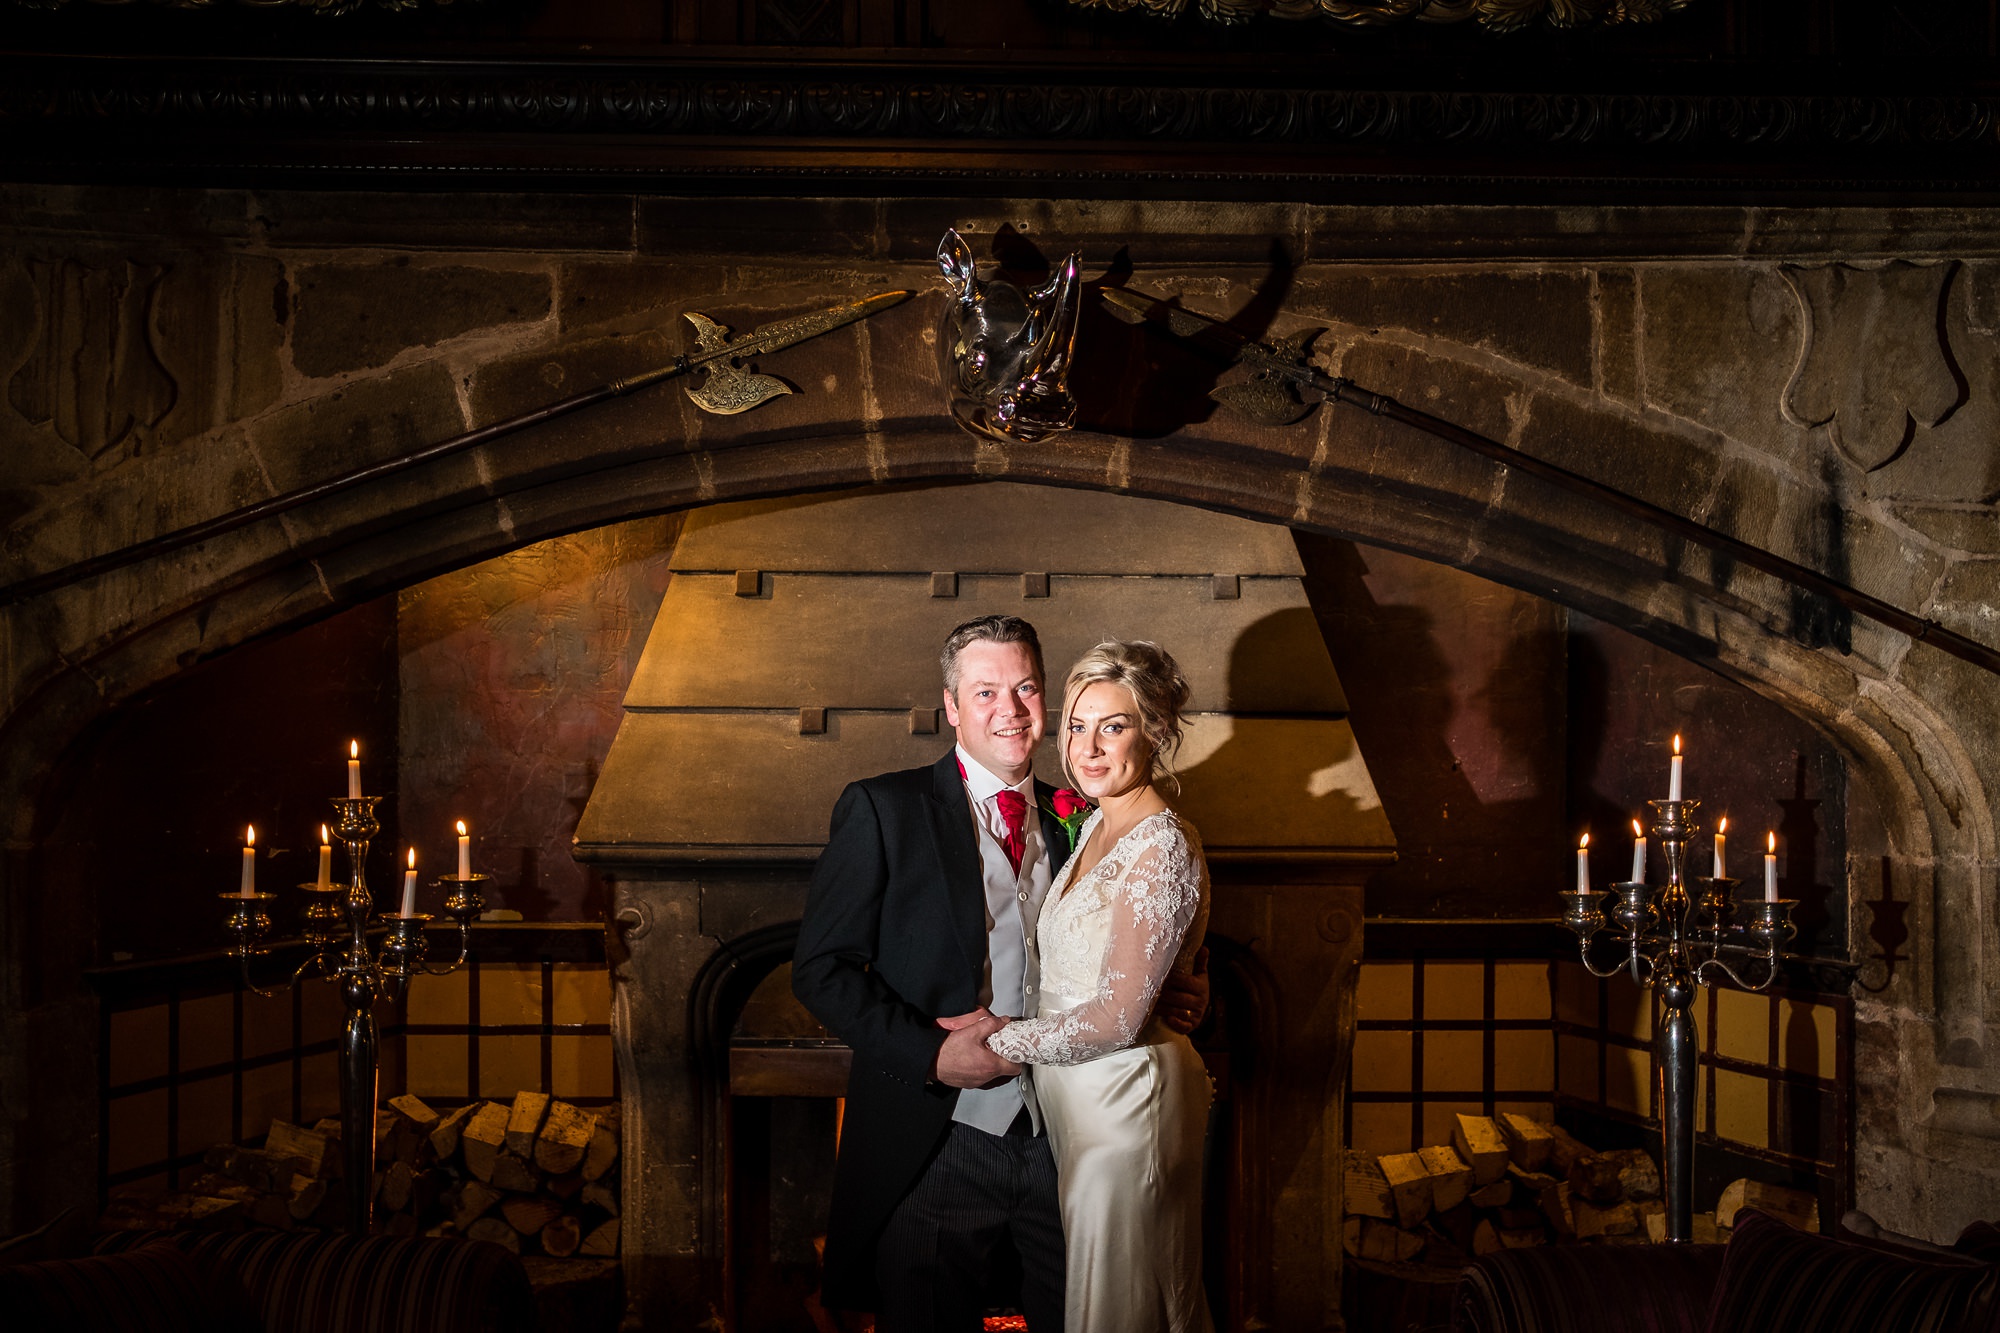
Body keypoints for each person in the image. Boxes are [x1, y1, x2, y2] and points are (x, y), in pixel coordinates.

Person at [792, 615, 1210, 1332]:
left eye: (1024, 688)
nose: (1009, 710)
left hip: (1067, 1138)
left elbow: (1127, 945)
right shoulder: (884, 809)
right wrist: (931, 1051)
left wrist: (1177, 986)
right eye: (985, 692)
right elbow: (820, 970)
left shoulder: (1083, 811)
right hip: (935, 1142)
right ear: (951, 706)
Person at [985, 640, 1214, 1333]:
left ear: (1157, 732)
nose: (1087, 747)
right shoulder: (1090, 826)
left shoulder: (1160, 842)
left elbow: (1118, 1018)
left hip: (1126, 1107)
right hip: (1080, 1106)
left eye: (1112, 725)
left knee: (1124, 1302)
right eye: (1076, 727)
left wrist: (996, 1038)